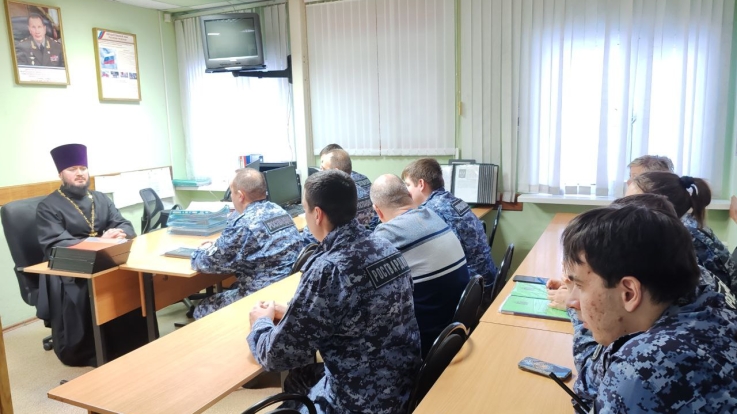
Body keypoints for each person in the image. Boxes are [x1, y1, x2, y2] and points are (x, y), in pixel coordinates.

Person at [247, 170, 421, 414]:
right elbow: (359, 312)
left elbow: (276, 356)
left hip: (359, 403)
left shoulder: (329, 269)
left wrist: (261, 323)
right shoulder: (386, 247)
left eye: (305, 210)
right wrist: (293, 311)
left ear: (317, 214)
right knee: (299, 378)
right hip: (403, 389)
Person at [547, 193, 737, 409]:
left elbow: (590, 387)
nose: (572, 302)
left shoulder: (639, 369)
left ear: (629, 293)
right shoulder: (709, 302)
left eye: (580, 286)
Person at [36, 143, 146, 366]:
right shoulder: (48, 206)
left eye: (83, 168)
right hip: (70, 267)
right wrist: (100, 241)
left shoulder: (100, 198)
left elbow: (124, 223)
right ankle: (91, 350)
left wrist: (119, 233)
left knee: (132, 277)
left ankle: (131, 344)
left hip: (106, 260)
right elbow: (56, 244)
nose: (79, 173)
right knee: (87, 290)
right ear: (60, 174)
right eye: (72, 169)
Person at [371, 174, 470, 357]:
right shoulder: (432, 215)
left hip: (427, 338)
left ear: (378, 210)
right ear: (409, 196)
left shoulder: (387, 234)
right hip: (455, 328)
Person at [191, 167, 302, 319]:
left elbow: (209, 262)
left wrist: (201, 251)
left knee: (202, 308)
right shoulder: (279, 211)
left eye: (232, 193)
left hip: (260, 298)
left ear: (240, 195)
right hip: (287, 290)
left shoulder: (244, 224)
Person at [626, 172, 737, 294]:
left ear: (659, 205)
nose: (622, 210)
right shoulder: (677, 227)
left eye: (629, 204)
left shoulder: (684, 239)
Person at [401, 158, 497, 297]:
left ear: (421, 184)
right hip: (487, 279)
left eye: (408, 185)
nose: (407, 191)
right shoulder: (454, 200)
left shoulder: (430, 211)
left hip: (473, 290)